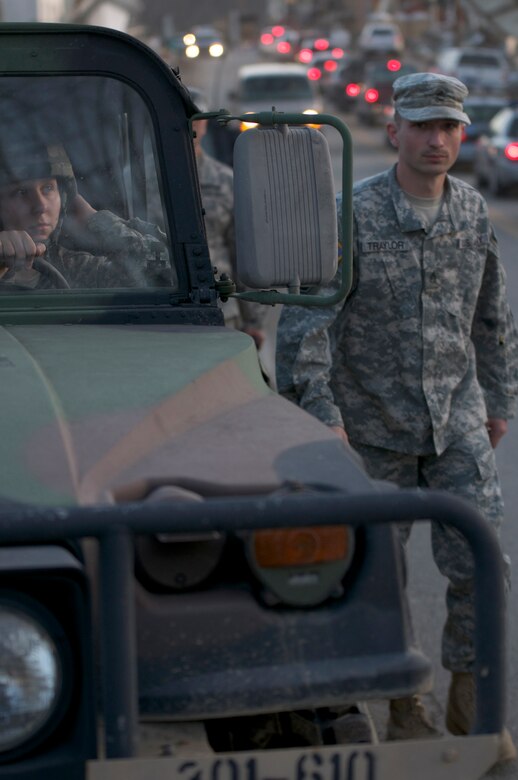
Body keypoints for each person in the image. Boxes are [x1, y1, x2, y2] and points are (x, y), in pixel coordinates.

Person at [276, 72, 518, 761]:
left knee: (481, 561)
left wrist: (498, 401)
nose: (436, 139)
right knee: (379, 573)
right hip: (370, 425)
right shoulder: (351, 213)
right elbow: (306, 324)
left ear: (462, 134)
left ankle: (474, 708)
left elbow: (492, 317)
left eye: (448, 127)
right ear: (395, 132)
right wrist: (323, 414)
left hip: (456, 421)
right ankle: (404, 699)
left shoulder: (471, 212)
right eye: (422, 126)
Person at [0, 139, 170, 289]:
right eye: (21, 192)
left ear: (64, 197)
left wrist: (100, 222)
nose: (41, 206)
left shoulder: (77, 267)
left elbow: (170, 274)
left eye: (48, 188)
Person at [190, 88, 265, 349]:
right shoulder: (139, 179)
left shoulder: (226, 181)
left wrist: (252, 319)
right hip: (160, 316)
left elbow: (242, 252)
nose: (190, 126)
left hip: (221, 311)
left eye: (196, 118)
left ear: (206, 124)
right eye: (183, 119)